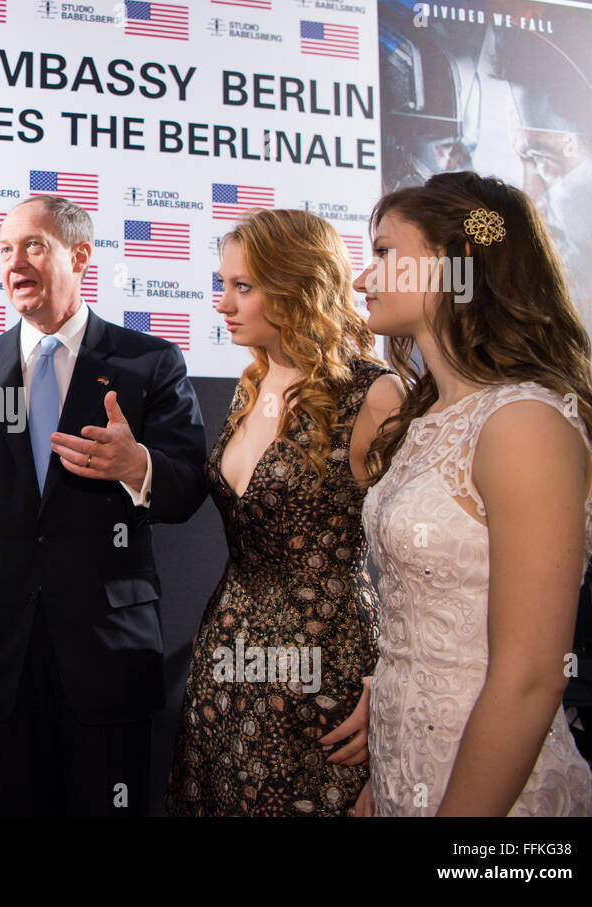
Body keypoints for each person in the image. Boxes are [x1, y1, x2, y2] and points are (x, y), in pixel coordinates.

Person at [0, 194, 209, 816]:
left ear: (79, 256)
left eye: (33, 246)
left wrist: (139, 468)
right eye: (4, 249)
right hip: (3, 654)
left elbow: (188, 487)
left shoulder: (149, 362)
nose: (14, 262)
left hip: (110, 652)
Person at [356, 170, 592, 816]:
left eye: (385, 252)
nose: (364, 278)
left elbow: (529, 677)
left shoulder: (525, 422)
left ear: (454, 264)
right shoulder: (424, 421)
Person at [165, 209, 404, 816]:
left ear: (299, 285)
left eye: (242, 287)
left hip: (329, 670)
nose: (223, 304)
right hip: (226, 665)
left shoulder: (375, 394)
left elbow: (417, 560)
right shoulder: (253, 385)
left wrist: (395, 685)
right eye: (223, 285)